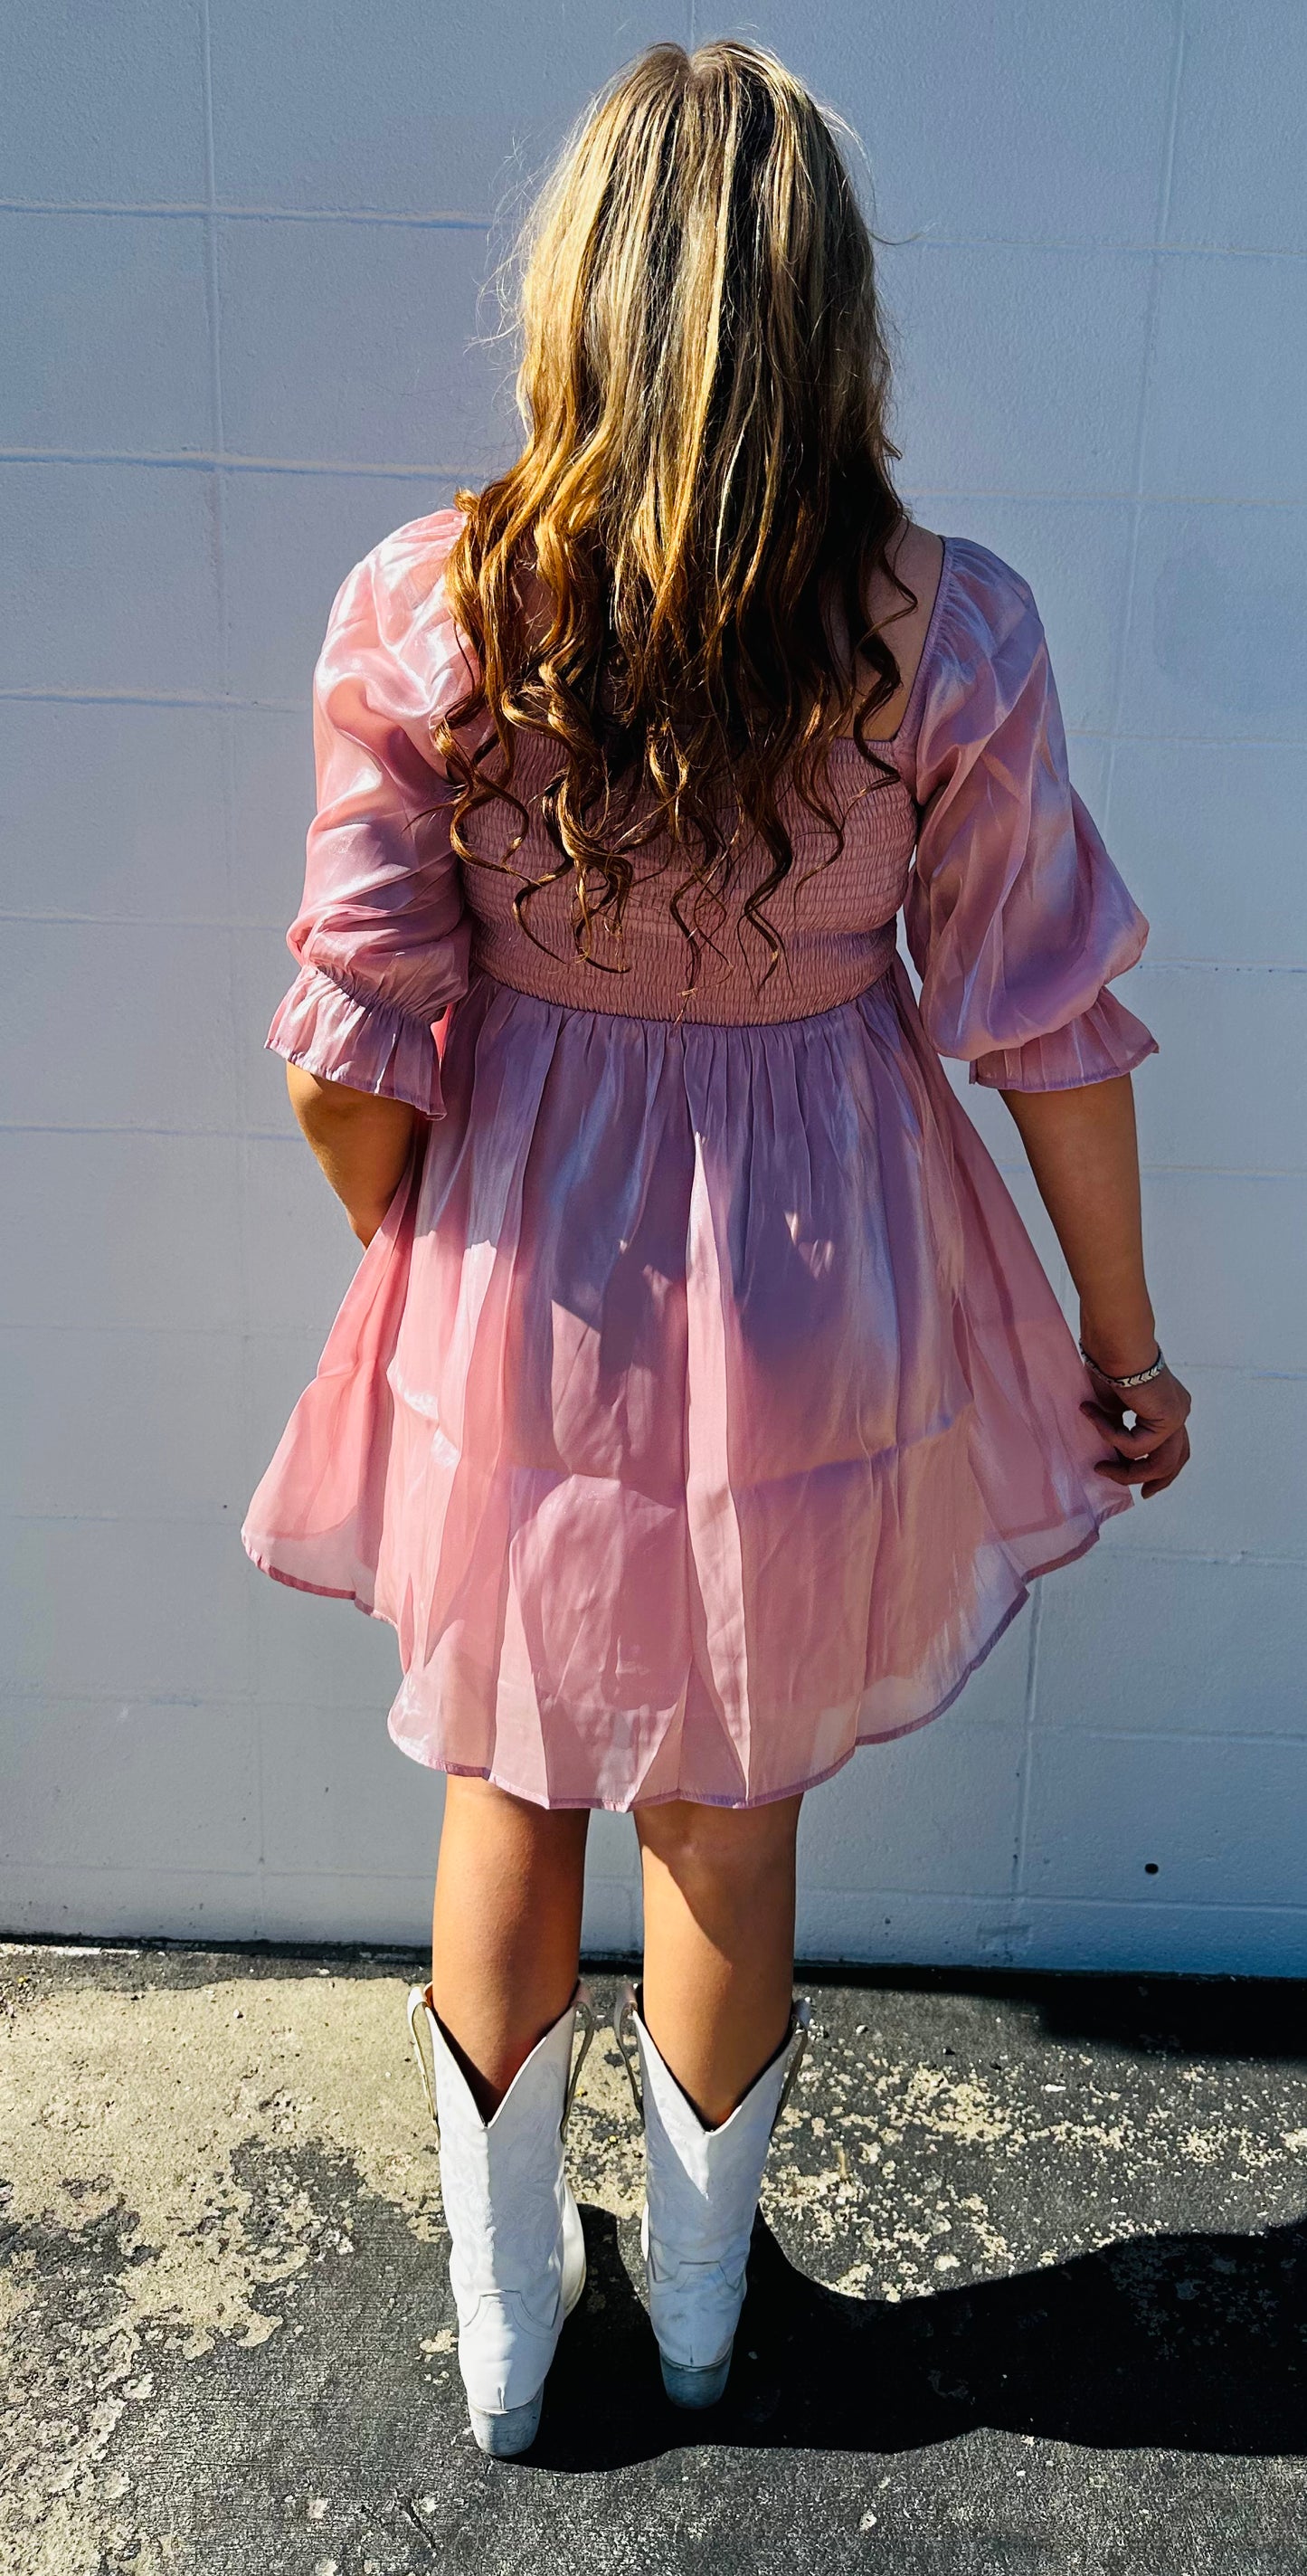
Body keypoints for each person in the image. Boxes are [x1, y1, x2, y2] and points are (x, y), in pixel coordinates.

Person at [241, 39, 1192, 2457]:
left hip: (524, 1262)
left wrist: (431, 1256)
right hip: (818, 1274)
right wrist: (1124, 1346)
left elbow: (348, 1040)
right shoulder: (946, 631)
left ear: (573, 299)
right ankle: (686, 2319)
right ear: (832, 320)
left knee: (506, 1776)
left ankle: (503, 2342)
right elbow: (1045, 1024)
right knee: (729, 1801)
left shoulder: (425, 606)